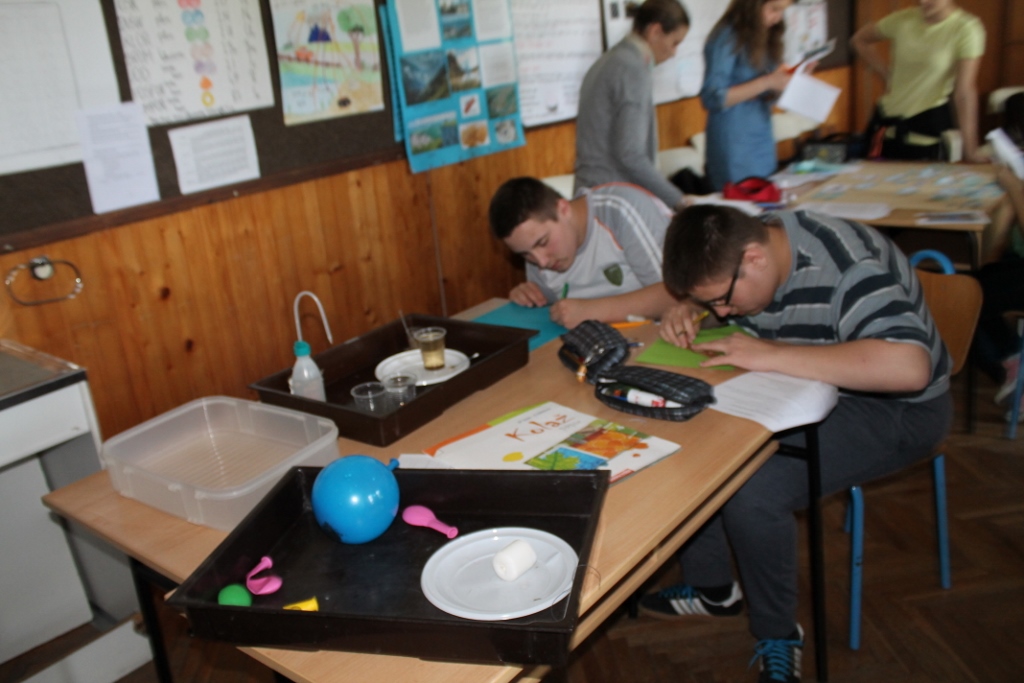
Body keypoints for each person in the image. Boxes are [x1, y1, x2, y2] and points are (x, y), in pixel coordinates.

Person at [648, 205, 952, 682]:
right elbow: (724, 303)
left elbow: (910, 368)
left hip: (896, 407)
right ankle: (712, 590)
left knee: (753, 490)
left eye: (722, 300)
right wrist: (691, 310)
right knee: (693, 437)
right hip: (805, 390)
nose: (722, 312)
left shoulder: (847, 266)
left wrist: (772, 354)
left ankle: (778, 634)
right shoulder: (751, 243)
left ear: (754, 258)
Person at [488, 177, 677, 330]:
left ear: (563, 209)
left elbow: (678, 294)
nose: (541, 262)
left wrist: (593, 311)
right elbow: (554, 312)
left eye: (543, 242)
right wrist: (527, 297)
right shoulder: (536, 250)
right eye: (524, 254)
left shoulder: (621, 210)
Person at [573, 0, 691, 211]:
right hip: (612, 200)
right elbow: (631, 154)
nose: (674, 52)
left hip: (589, 195)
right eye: (675, 42)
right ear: (655, 32)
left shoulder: (607, 61)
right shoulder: (632, 69)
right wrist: (678, 200)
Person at [850, 0, 986, 162]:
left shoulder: (966, 29)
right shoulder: (903, 19)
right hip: (886, 127)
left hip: (925, 132)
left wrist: (970, 150)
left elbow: (964, 92)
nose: (923, 1)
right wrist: (885, 74)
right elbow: (859, 40)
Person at [701, 0, 794, 191]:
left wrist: (789, 81)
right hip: (733, 140)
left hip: (761, 134)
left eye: (782, 11)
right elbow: (712, 97)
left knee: (766, 198)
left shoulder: (765, 34)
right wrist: (767, 82)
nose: (777, 18)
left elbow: (767, 93)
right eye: (774, 9)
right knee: (740, 200)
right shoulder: (727, 35)